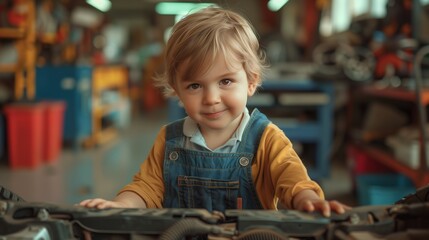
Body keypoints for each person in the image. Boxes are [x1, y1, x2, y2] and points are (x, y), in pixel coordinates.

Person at [80, 7, 348, 217]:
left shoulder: (267, 139)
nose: (211, 98)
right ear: (177, 90)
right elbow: (146, 189)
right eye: (195, 85)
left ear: (251, 81)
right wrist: (119, 205)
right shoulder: (169, 140)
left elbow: (292, 179)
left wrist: (308, 200)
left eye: (226, 81)